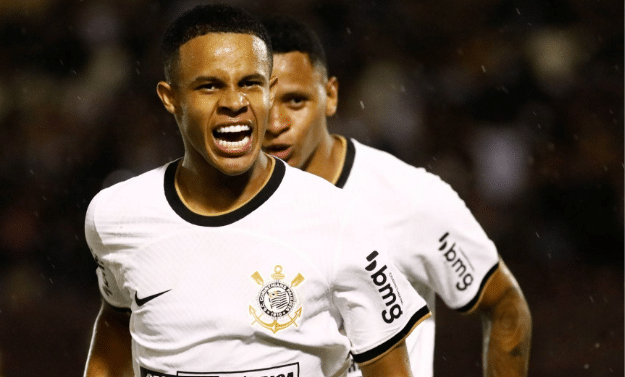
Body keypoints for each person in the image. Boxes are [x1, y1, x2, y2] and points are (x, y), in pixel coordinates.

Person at [83, 4, 431, 377]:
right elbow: (117, 322)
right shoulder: (116, 216)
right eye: (210, 85)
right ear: (171, 98)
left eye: (250, 82)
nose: (234, 102)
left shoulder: (340, 219)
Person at [262, 16, 532, 377]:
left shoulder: (408, 198)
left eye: (295, 101)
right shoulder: (222, 205)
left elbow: (505, 306)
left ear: (331, 96)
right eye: (262, 103)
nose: (276, 123)